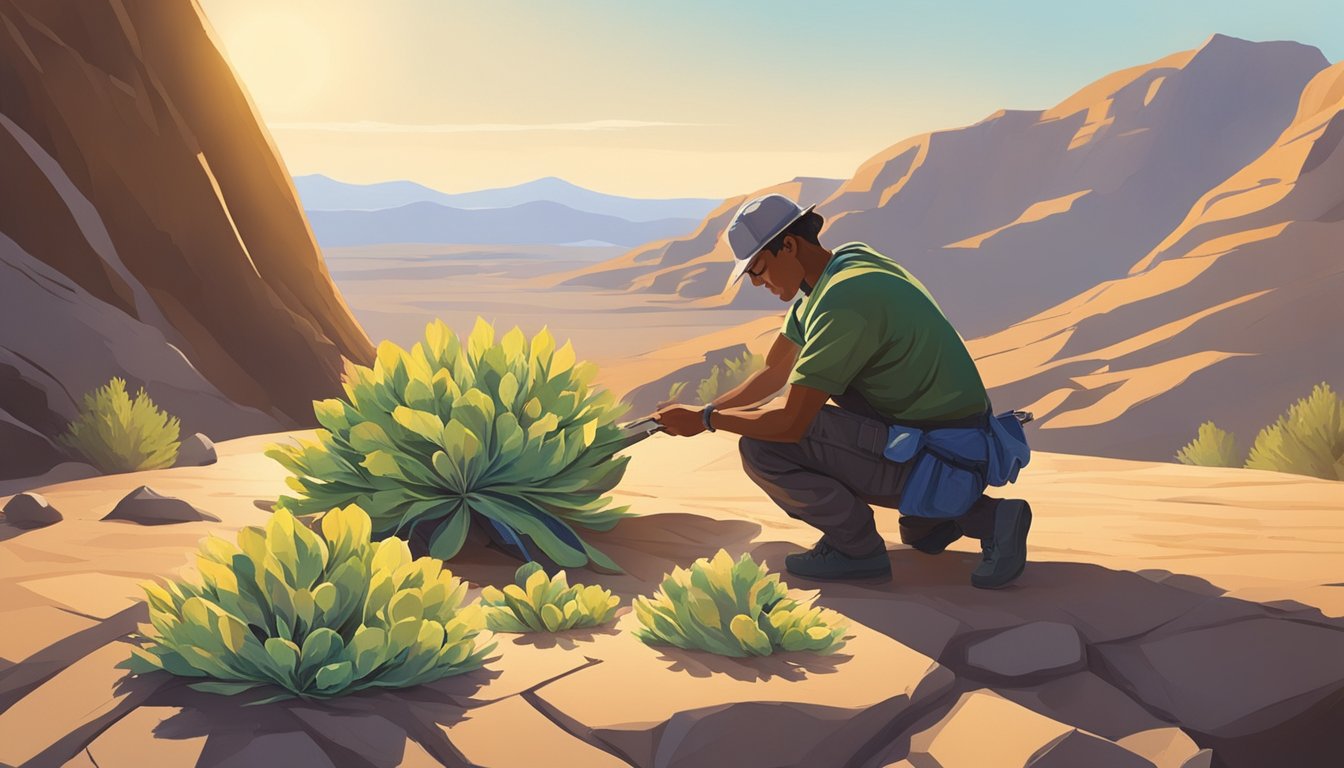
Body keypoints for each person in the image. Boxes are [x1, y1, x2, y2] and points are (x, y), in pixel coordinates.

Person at [651, 194, 1032, 588]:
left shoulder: (843, 303)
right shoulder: (843, 268)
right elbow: (772, 372)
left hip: (942, 450)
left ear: (789, 245)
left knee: (762, 448)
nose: (757, 283)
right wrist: (702, 409)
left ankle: (869, 546)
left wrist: (708, 421)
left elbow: (790, 423)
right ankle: (933, 517)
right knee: (918, 532)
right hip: (940, 436)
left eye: (758, 269)